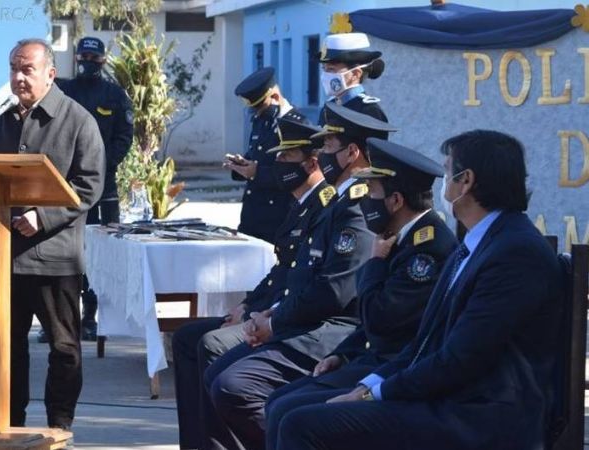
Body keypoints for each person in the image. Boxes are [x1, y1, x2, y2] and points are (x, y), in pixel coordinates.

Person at [274, 130, 563, 450]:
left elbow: (461, 358)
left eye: (449, 170)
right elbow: (426, 340)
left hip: (480, 416)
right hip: (451, 399)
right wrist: (370, 384)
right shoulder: (480, 242)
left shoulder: (514, 252)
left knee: (301, 425)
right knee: (289, 410)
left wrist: (376, 394)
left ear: (466, 181)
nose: (444, 182)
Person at [204, 103, 395, 450]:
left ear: (352, 153)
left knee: (235, 386)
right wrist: (269, 313)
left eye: (328, 145)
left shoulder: (357, 208)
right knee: (220, 374)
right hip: (304, 321)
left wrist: (274, 322)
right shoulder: (337, 202)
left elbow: (333, 291)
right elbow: (298, 274)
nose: (321, 153)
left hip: (332, 333)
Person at [263, 138, 458, 449]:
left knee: (290, 414)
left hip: (395, 367)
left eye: (372, 192)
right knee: (279, 402)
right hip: (369, 357)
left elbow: (379, 318)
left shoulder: (427, 251)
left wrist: (376, 263)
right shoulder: (398, 236)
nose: (365, 200)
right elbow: (370, 325)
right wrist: (341, 354)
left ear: (396, 200)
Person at [173, 117, 331, 449]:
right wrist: (246, 305)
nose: (279, 163)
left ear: (312, 163)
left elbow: (307, 284)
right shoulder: (299, 204)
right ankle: (197, 442)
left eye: (287, 157)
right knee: (186, 337)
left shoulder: (323, 207)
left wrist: (259, 316)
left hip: (294, 322)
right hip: (268, 308)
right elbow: (279, 271)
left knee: (212, 345)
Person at [0, 38, 105, 430]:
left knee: (64, 348)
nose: (18, 77)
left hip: (55, 257)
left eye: (27, 69)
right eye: (14, 69)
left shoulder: (78, 120)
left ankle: (59, 426)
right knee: (7, 347)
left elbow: (89, 185)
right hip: (5, 255)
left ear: (50, 73)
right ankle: (10, 424)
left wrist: (43, 217)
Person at [51, 36, 134, 342]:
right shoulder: (62, 90)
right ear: (76, 58)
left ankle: (90, 317)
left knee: (99, 255)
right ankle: (59, 320)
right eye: (83, 56)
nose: (88, 61)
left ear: (103, 60)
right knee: (63, 253)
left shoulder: (114, 94)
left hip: (103, 186)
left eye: (94, 57)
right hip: (65, 184)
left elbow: (124, 136)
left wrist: (99, 164)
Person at [224, 67, 309, 245]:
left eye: (260, 107)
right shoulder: (262, 121)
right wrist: (241, 165)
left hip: (278, 219)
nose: (257, 113)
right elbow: (256, 157)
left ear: (275, 97)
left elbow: (297, 174)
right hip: (252, 217)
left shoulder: (296, 125)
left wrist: (257, 172)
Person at [317, 32, 386, 127]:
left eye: (331, 69)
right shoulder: (329, 107)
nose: (325, 75)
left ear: (355, 74)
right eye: (324, 69)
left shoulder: (369, 110)